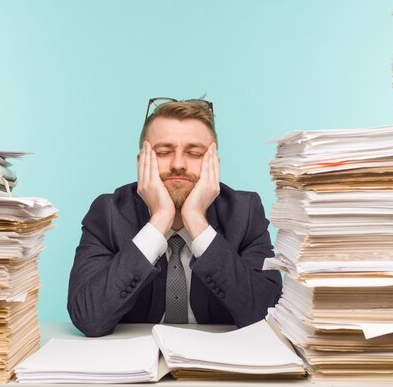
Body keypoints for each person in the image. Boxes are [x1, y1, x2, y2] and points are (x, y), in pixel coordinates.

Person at [67, 98, 282, 337]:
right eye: (163, 152)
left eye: (194, 153)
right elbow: (87, 317)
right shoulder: (108, 213)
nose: (178, 164)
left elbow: (267, 314)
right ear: (141, 163)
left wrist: (197, 220)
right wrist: (159, 220)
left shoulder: (245, 212)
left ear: (214, 165)